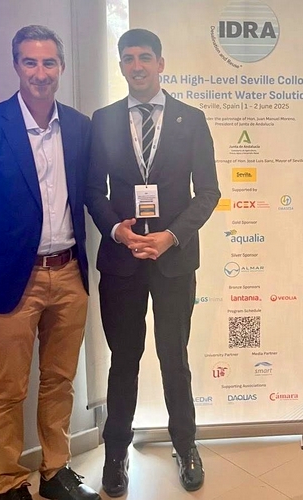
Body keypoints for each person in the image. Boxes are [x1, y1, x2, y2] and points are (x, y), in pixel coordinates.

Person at [0, 25, 99, 500]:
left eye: (49, 62)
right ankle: (10, 481)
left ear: (61, 67)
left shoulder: (79, 127)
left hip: (70, 274)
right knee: (8, 389)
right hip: (15, 279)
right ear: (16, 65)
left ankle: (55, 471)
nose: (40, 72)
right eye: (30, 62)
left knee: (60, 381)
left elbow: (89, 196)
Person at [86, 28, 220, 496]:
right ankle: (116, 452)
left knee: (173, 357)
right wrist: (117, 231)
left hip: (173, 260)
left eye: (145, 57)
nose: (137, 66)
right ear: (121, 65)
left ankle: (186, 445)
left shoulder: (191, 119)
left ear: (161, 64)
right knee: (124, 359)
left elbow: (208, 192)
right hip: (121, 262)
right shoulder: (103, 120)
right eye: (129, 58)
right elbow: (92, 191)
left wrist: (171, 237)